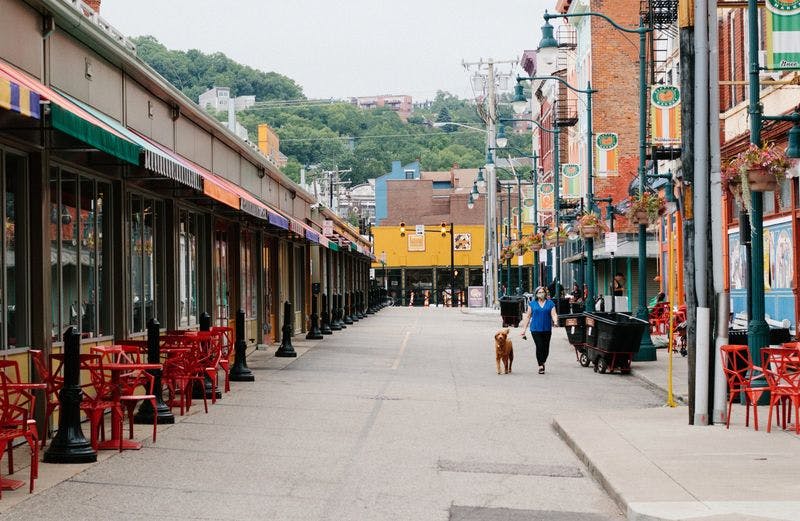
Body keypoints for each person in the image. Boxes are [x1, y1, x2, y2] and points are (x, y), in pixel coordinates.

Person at [519, 286, 559, 374]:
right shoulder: (532, 304)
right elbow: (528, 316)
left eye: (542, 292)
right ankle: (540, 365)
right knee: (539, 346)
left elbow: (554, 314)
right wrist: (524, 330)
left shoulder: (550, 303)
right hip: (535, 329)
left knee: (546, 348)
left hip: (546, 329)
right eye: (539, 292)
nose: (541, 294)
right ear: (536, 294)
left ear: (545, 293)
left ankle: (543, 360)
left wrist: (555, 321)